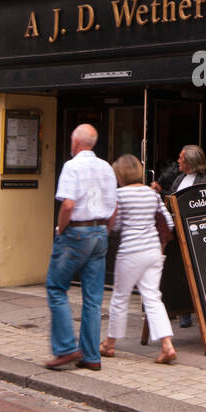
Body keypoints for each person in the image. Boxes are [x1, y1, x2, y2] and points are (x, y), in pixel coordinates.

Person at [43, 124, 117, 372]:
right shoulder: (106, 167)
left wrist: (60, 230)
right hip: (99, 232)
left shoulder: (71, 166)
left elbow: (68, 205)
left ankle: (65, 348)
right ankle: (91, 356)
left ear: (75, 143)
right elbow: (115, 207)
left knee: (56, 287)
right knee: (93, 299)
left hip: (76, 232)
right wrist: (105, 230)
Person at [102, 154, 177, 365]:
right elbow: (168, 224)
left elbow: (115, 226)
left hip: (131, 252)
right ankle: (167, 345)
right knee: (153, 297)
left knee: (119, 298)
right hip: (153, 251)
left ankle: (109, 344)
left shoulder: (120, 195)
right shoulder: (151, 194)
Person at [151, 144, 206, 326]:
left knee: (190, 272)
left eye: (181, 158)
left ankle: (190, 312)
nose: (178, 161)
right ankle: (174, 309)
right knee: (174, 271)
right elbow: (172, 200)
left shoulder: (203, 181)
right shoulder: (179, 179)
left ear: (190, 162)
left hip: (191, 233)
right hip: (175, 232)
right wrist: (162, 195)